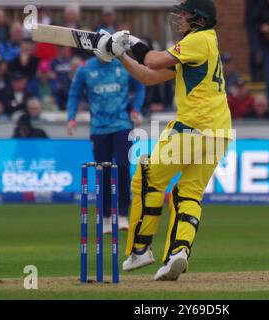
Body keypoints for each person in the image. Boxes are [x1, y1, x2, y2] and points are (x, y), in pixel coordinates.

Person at [94, 0, 232, 281]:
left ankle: (141, 249)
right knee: (188, 193)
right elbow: (147, 76)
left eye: (185, 14)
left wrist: (130, 41)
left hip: (193, 127)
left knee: (146, 179)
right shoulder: (201, 47)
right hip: (219, 133)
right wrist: (121, 55)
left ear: (199, 19)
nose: (179, 18)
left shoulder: (199, 40)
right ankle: (179, 252)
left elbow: (153, 59)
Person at [67, 53, 145, 234]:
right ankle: (106, 217)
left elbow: (140, 87)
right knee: (103, 171)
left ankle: (123, 213)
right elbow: (74, 94)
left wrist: (136, 109)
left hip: (122, 125)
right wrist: (71, 118)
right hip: (99, 128)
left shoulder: (124, 65)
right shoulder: (85, 68)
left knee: (123, 167)